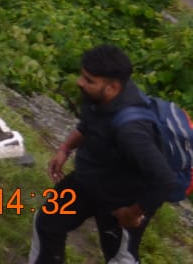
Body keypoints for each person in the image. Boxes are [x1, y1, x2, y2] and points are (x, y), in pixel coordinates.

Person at [31, 45, 177, 264]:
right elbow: (89, 124)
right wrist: (65, 149)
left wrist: (134, 212)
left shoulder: (132, 131)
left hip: (120, 200)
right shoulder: (99, 97)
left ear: (113, 87)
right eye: (82, 76)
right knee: (47, 222)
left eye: (88, 80)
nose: (80, 83)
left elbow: (165, 181)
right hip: (88, 181)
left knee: (119, 256)